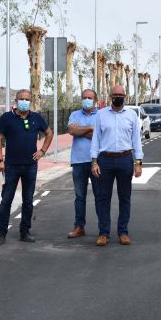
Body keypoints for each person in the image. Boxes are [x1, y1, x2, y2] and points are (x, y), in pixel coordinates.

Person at [0, 89, 54, 245]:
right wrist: (0, 159)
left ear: (30, 101)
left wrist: (42, 151)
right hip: (11, 166)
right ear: (16, 100)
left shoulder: (36, 118)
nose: (24, 101)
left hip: (30, 166)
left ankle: (25, 231)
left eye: (27, 99)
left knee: (28, 200)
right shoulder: (7, 118)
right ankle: (1, 232)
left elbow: (49, 133)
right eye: (21, 99)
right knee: (6, 199)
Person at [90, 85, 143, 246]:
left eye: (120, 94)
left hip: (125, 159)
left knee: (124, 197)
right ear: (110, 96)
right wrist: (94, 162)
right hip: (105, 160)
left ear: (125, 96)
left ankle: (123, 232)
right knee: (103, 198)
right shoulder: (101, 114)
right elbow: (96, 139)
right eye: (115, 95)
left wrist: (138, 162)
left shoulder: (132, 115)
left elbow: (136, 140)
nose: (118, 97)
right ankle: (103, 233)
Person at [66, 89, 101, 238]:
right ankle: (79, 227)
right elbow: (71, 130)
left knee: (100, 196)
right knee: (79, 196)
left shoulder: (101, 115)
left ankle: (103, 229)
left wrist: (81, 130)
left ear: (95, 99)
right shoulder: (74, 114)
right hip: (78, 161)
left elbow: (99, 135)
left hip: (96, 162)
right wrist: (90, 128)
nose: (87, 100)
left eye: (90, 97)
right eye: (84, 97)